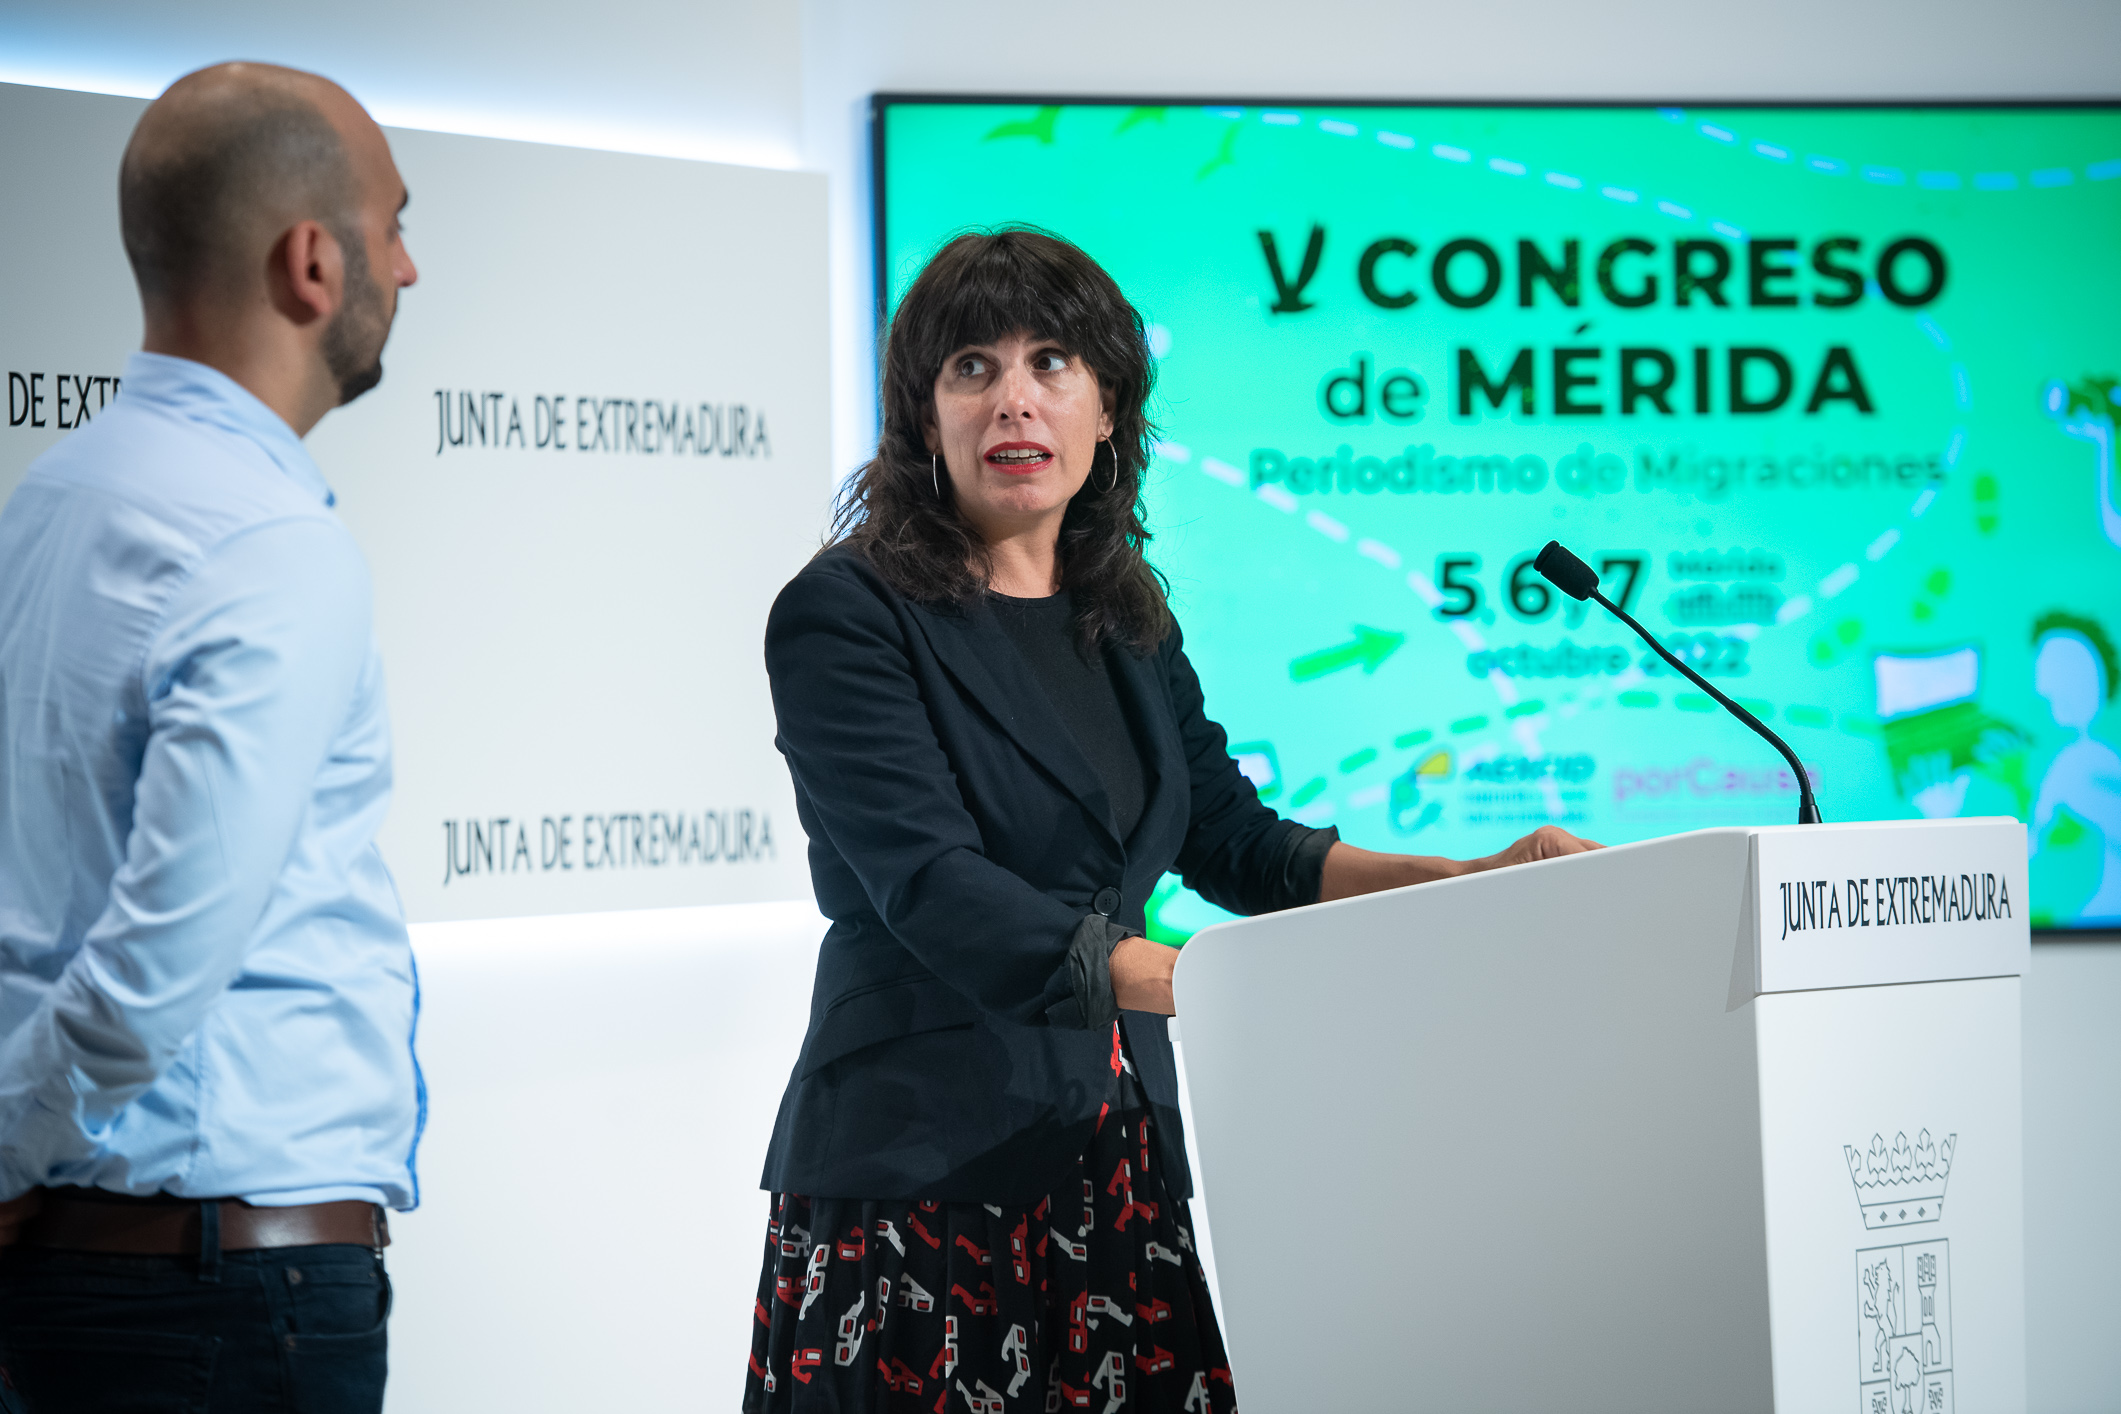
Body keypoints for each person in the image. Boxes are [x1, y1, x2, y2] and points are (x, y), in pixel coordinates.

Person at [744, 228, 1598, 1411]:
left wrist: (1468, 879)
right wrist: (1209, 982)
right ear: (922, 415)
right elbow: (935, 889)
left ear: (1109, 411)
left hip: (1117, 1155)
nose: (1015, 400)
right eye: (972, 368)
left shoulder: (1124, 616)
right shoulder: (846, 614)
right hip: (920, 1173)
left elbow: (1235, 842)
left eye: (1052, 362)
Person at [0, 62, 420, 1412]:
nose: (407, 271)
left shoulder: (43, 506)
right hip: (221, 1293)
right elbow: (153, 968)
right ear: (311, 262)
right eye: (393, 226)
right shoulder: (271, 542)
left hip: (87, 1275)